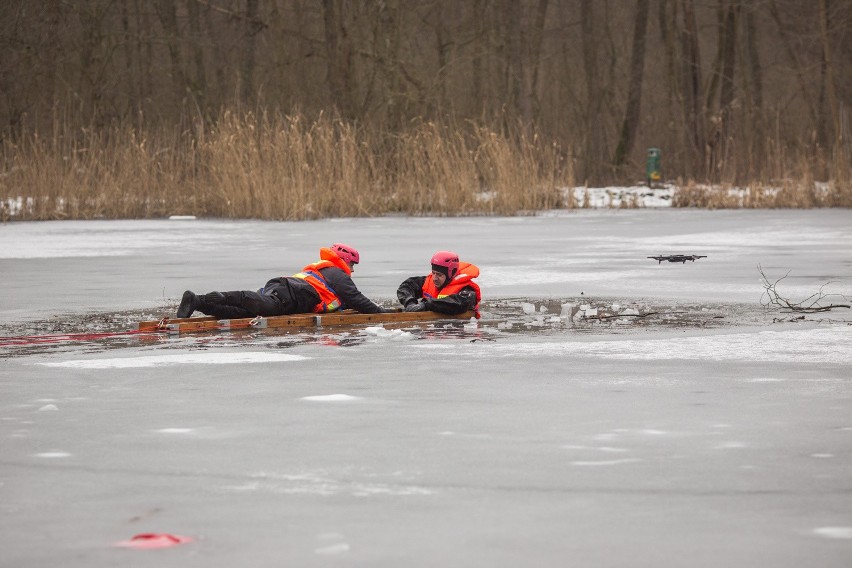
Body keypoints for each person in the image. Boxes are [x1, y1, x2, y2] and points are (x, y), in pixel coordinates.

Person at [176, 243, 393, 319]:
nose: (352, 270)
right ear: (345, 260)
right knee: (264, 306)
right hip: (296, 292)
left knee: (246, 312)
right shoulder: (336, 272)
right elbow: (355, 299)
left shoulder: (325, 270)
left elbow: (345, 302)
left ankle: (198, 303)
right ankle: (218, 296)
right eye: (352, 265)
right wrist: (381, 313)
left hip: (286, 287)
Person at [396, 250, 481, 318]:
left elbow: (460, 303)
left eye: (439, 275)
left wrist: (425, 305)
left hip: (457, 332)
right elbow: (406, 286)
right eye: (433, 273)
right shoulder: (428, 281)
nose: (435, 278)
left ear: (451, 274)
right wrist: (410, 302)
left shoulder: (467, 290)